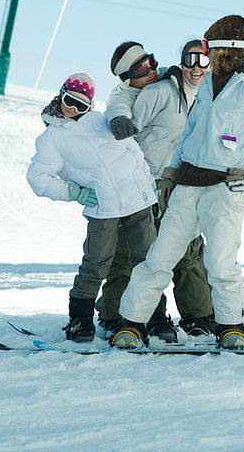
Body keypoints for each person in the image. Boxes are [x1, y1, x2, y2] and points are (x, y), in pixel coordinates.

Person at [111, 13, 244, 350]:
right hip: (186, 186)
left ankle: (232, 327)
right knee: (159, 257)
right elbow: (190, 132)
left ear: (230, 51)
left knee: (221, 262)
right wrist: (171, 173)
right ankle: (132, 324)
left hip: (224, 188)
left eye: (209, 50)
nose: (204, 58)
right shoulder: (207, 84)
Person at [26, 73, 157, 342]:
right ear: (60, 95)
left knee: (147, 261)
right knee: (96, 263)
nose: (73, 109)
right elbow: (37, 179)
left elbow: (134, 152)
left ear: (90, 106)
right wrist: (74, 192)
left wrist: (147, 186)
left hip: (137, 202)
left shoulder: (102, 122)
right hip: (102, 207)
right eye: (69, 101)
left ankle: (154, 318)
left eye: (81, 105)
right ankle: (80, 320)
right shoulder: (52, 138)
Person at [97, 40, 214, 342]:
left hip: (180, 186)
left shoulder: (199, 91)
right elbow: (119, 105)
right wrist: (119, 120)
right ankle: (123, 316)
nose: (149, 68)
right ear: (127, 76)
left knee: (185, 253)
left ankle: (200, 317)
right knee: (135, 256)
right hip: (141, 187)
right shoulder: (154, 91)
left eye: (149, 61)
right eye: (139, 67)